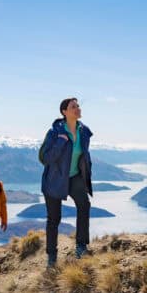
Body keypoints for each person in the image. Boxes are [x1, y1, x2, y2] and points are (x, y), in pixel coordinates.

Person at [40, 97, 93, 268]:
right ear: (64, 112)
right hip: (55, 180)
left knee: (84, 205)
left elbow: (82, 155)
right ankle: (52, 256)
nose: (77, 108)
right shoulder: (55, 132)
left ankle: (81, 246)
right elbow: (45, 158)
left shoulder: (84, 131)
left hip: (74, 176)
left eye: (78, 106)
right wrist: (61, 142)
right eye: (73, 107)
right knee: (54, 219)